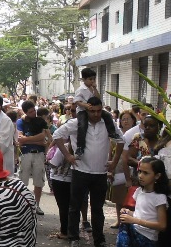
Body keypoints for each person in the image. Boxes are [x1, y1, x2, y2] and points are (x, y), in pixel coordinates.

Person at [52, 96, 125, 247]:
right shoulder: (77, 122)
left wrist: (115, 162)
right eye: (93, 111)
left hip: (100, 173)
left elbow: (121, 140)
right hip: (80, 171)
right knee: (75, 206)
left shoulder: (108, 123)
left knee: (97, 208)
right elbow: (57, 135)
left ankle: (99, 240)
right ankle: (73, 238)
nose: (97, 114)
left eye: (99, 111)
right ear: (87, 109)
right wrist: (68, 156)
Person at [116, 156, 168, 247]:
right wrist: (129, 213)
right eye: (140, 171)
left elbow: (162, 225)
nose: (140, 176)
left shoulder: (159, 198)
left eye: (145, 173)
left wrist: (134, 220)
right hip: (134, 230)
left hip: (147, 239)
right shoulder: (139, 191)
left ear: (157, 176)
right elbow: (142, 214)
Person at [74, 67, 120, 158]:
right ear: (84, 79)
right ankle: (80, 146)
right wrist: (85, 105)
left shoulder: (92, 88)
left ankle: (112, 132)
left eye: (93, 79)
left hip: (94, 109)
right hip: (83, 111)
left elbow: (98, 98)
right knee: (82, 126)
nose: (92, 81)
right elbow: (77, 101)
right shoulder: (80, 89)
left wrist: (95, 89)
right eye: (90, 79)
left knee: (107, 115)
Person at [16, 101, 51, 216]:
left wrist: (27, 139)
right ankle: (22, 205)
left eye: (34, 111)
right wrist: (38, 141)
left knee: (39, 180)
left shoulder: (40, 121)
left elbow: (44, 137)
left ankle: (37, 205)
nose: (33, 113)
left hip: (39, 154)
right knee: (23, 180)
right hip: (25, 153)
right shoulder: (20, 122)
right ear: (25, 112)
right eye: (30, 112)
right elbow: (20, 138)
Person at [49, 141, 74, 240]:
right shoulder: (82, 148)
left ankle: (64, 231)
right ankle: (72, 230)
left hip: (59, 179)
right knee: (72, 207)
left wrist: (48, 158)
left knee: (63, 206)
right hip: (75, 180)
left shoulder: (64, 148)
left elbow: (54, 164)